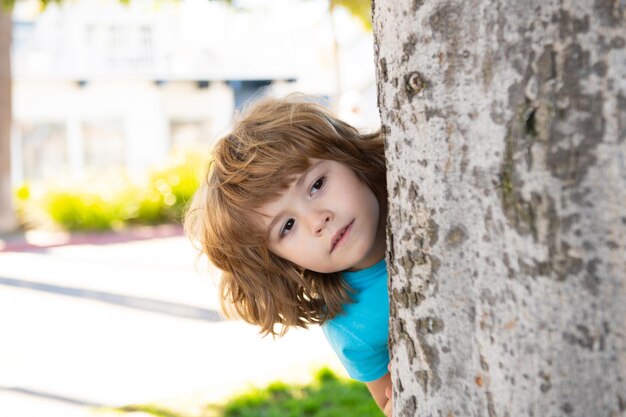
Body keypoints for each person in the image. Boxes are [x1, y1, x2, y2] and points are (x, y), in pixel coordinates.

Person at [184, 94, 392, 416]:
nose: (317, 220)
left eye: (317, 184)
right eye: (288, 226)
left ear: (348, 158)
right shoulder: (351, 326)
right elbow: (395, 403)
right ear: (280, 261)